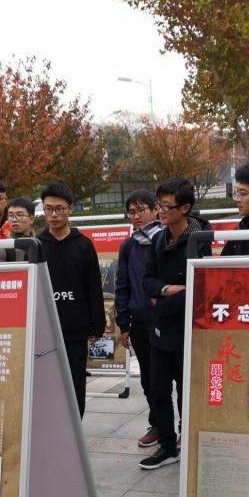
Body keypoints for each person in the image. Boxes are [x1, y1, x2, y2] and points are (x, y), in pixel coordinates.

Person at [140, 178, 211, 469]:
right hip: (160, 331)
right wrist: (169, 289)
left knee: (186, 391)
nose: (160, 211)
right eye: (159, 204)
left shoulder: (199, 241)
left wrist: (161, 298)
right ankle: (168, 446)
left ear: (185, 208)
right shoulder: (158, 238)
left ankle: (188, 440)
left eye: (167, 206)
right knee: (158, 391)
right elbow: (147, 281)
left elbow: (199, 291)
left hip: (188, 331)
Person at [36, 183, 105, 418]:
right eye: (48, 209)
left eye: (59, 209)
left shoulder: (83, 245)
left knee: (75, 385)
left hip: (75, 329)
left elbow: (93, 286)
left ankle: (76, 430)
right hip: (45, 329)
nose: (54, 215)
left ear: (70, 209)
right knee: (46, 385)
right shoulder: (36, 245)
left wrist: (97, 324)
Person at [116, 190, 164, 448]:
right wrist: (124, 323)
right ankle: (157, 424)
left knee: (171, 378)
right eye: (131, 212)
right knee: (148, 380)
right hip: (139, 322)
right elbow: (122, 285)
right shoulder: (128, 246)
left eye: (141, 210)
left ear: (156, 210)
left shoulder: (166, 240)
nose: (136, 216)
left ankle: (180, 427)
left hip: (166, 322)